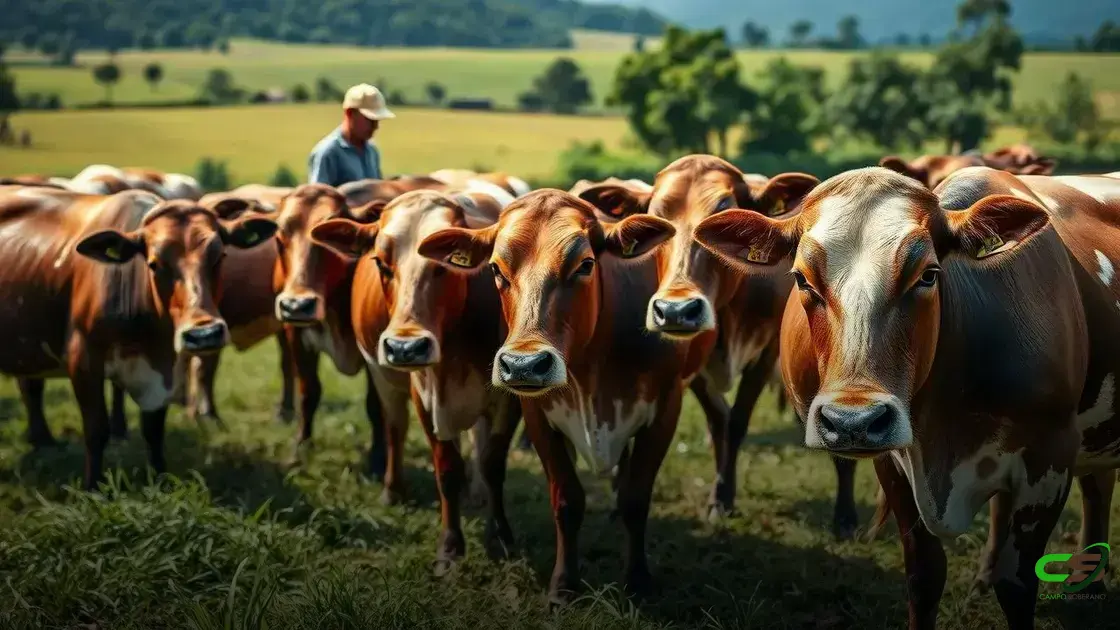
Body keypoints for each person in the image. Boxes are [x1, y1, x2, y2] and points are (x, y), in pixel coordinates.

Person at [307, 83, 395, 186]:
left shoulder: (372, 150)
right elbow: (318, 199)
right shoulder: (328, 153)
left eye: (377, 120)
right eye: (369, 120)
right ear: (349, 113)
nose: (375, 126)